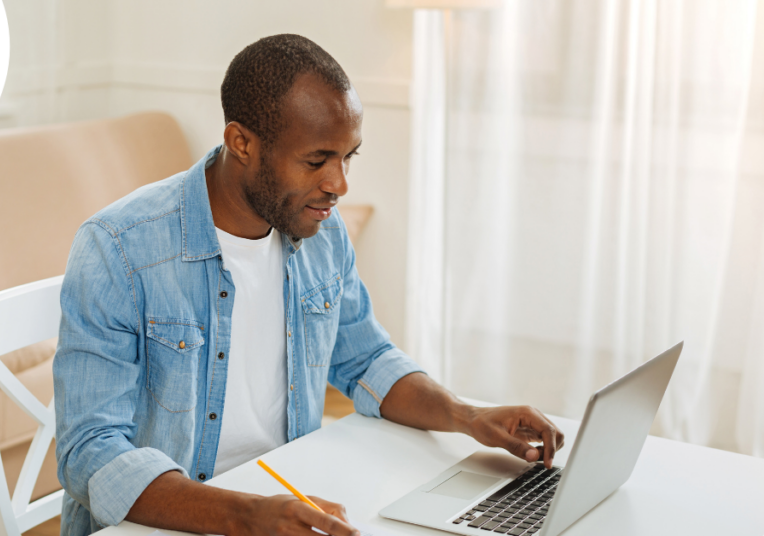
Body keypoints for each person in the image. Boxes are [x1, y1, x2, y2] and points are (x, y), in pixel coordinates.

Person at [53, 34, 565, 536]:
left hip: (289, 501)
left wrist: (467, 417)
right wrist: (249, 516)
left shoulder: (321, 230)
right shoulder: (119, 247)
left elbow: (365, 359)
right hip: (176, 518)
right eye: (317, 160)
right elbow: (91, 450)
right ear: (242, 143)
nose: (339, 184)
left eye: (348, 158)